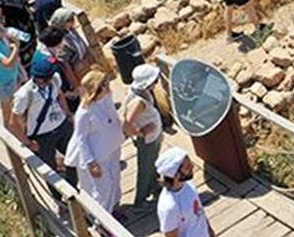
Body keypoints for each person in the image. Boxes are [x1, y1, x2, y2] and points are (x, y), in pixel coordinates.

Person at [9, 54, 77, 188]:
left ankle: (73, 187)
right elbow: (13, 122)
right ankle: (58, 198)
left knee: (74, 158)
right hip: (42, 136)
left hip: (62, 126)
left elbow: (59, 95)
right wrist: (27, 142)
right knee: (50, 171)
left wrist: (67, 114)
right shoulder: (24, 94)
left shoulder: (55, 80)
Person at [66, 71, 125, 214]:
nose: (108, 86)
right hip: (97, 156)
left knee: (114, 182)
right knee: (103, 189)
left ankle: (112, 210)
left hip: (111, 148)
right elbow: (81, 138)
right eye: (105, 84)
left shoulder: (107, 97)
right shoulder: (84, 112)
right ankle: (101, 222)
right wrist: (91, 163)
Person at [124, 64, 164, 211]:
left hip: (153, 136)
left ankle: (153, 185)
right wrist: (141, 133)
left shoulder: (137, 92)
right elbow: (127, 124)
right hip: (148, 140)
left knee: (152, 164)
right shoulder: (138, 102)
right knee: (145, 169)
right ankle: (139, 202)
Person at [156, 147, 214, 237]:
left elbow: (199, 211)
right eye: (187, 167)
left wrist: (210, 231)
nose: (192, 166)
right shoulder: (168, 207)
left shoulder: (188, 185)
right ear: (175, 175)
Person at [37, 27, 81, 113]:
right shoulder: (48, 63)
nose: (63, 43)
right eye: (61, 41)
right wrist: (68, 94)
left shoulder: (44, 51)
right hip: (61, 100)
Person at [49, 7, 95, 78]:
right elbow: (66, 66)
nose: (73, 21)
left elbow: (81, 43)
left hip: (86, 63)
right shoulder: (60, 41)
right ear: (62, 23)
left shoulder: (71, 30)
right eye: (69, 20)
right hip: (78, 71)